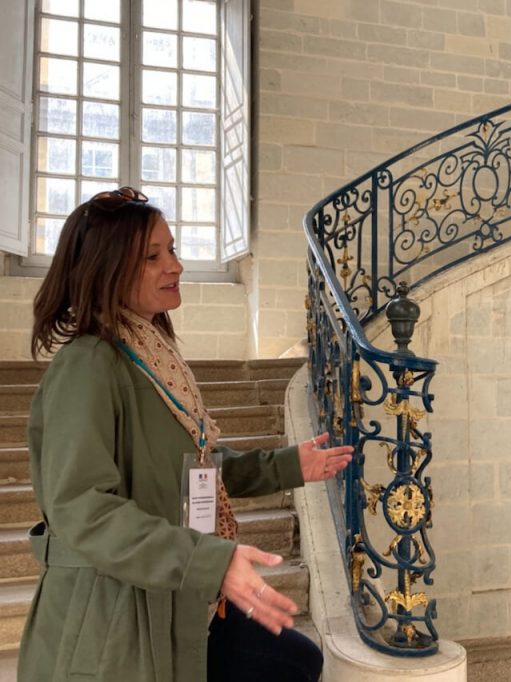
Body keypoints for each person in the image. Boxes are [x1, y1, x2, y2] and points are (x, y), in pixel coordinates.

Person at [18, 187, 353, 682]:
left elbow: (191, 471)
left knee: (296, 661)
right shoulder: (87, 365)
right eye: (152, 256)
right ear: (106, 268)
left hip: (177, 593)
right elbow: (81, 507)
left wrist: (287, 465)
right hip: (115, 613)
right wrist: (207, 561)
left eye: (171, 250)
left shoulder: (150, 357)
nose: (174, 266)